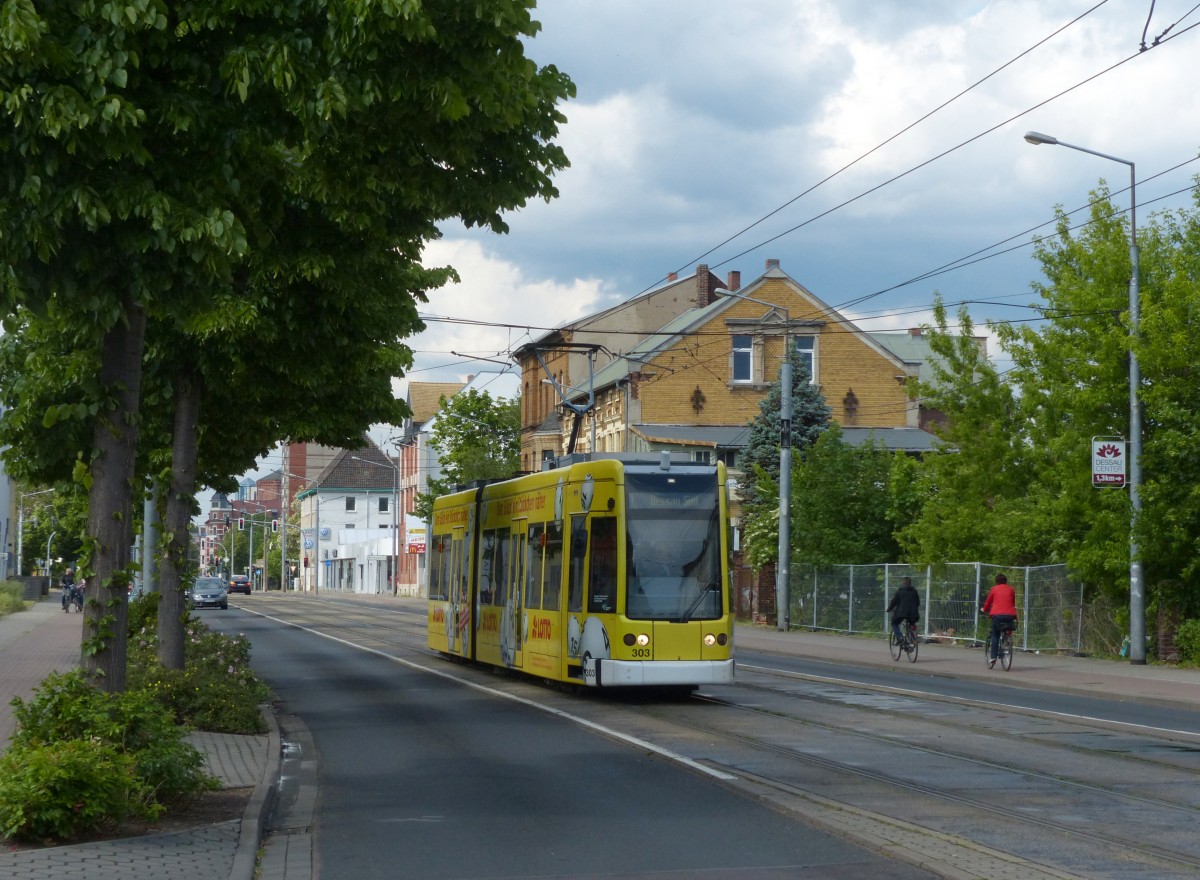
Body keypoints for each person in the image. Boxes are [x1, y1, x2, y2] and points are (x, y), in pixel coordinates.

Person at [981, 573, 1018, 668]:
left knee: (995, 634)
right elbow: (1012, 603)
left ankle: (993, 657)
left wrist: (984, 609)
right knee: (1007, 628)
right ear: (1006, 581)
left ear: (996, 582)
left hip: (997, 615)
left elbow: (988, 602)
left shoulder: (994, 589)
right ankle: (1007, 642)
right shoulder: (1011, 589)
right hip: (1010, 615)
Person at [886, 576, 921, 647]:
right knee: (912, 623)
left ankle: (900, 638)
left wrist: (889, 609)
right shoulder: (914, 591)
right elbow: (918, 602)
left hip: (902, 613)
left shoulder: (900, 591)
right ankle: (914, 638)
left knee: (894, 623)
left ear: (903, 583)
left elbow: (894, 601)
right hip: (914, 613)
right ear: (910, 583)